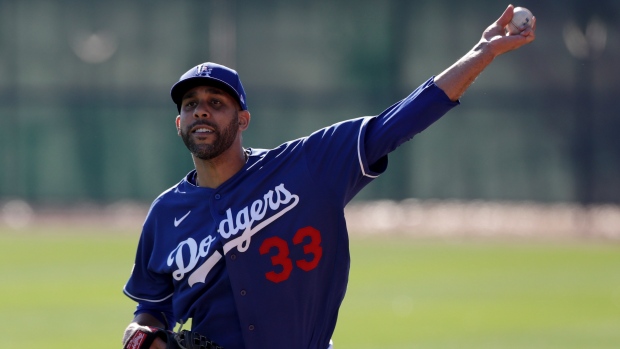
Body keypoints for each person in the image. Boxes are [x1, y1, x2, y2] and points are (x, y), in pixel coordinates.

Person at [121, 5, 536, 349]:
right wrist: (143, 331)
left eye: (216, 102)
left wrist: (482, 53)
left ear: (243, 119)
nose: (202, 110)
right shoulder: (164, 215)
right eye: (191, 104)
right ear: (179, 123)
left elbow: (397, 122)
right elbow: (153, 308)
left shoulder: (306, 167)